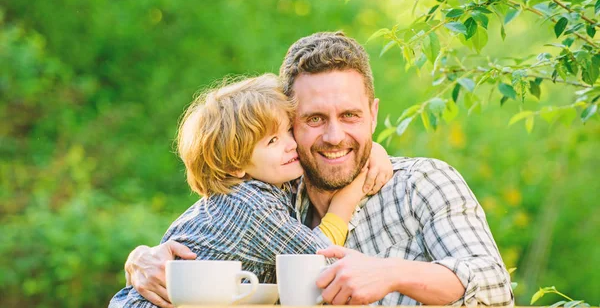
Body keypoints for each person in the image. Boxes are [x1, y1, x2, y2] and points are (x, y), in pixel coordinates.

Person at [123, 32, 514, 307]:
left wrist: (392, 273)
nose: (334, 135)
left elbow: (496, 289)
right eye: (314, 119)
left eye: (350, 115)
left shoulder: (422, 183)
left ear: (373, 114)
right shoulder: (275, 191)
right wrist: (142, 258)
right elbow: (195, 234)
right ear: (288, 122)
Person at [108, 74, 393, 308]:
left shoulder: (271, 180)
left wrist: (372, 150)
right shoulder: (249, 205)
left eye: (287, 132)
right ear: (235, 166)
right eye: (272, 141)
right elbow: (319, 263)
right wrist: (349, 195)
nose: (290, 145)